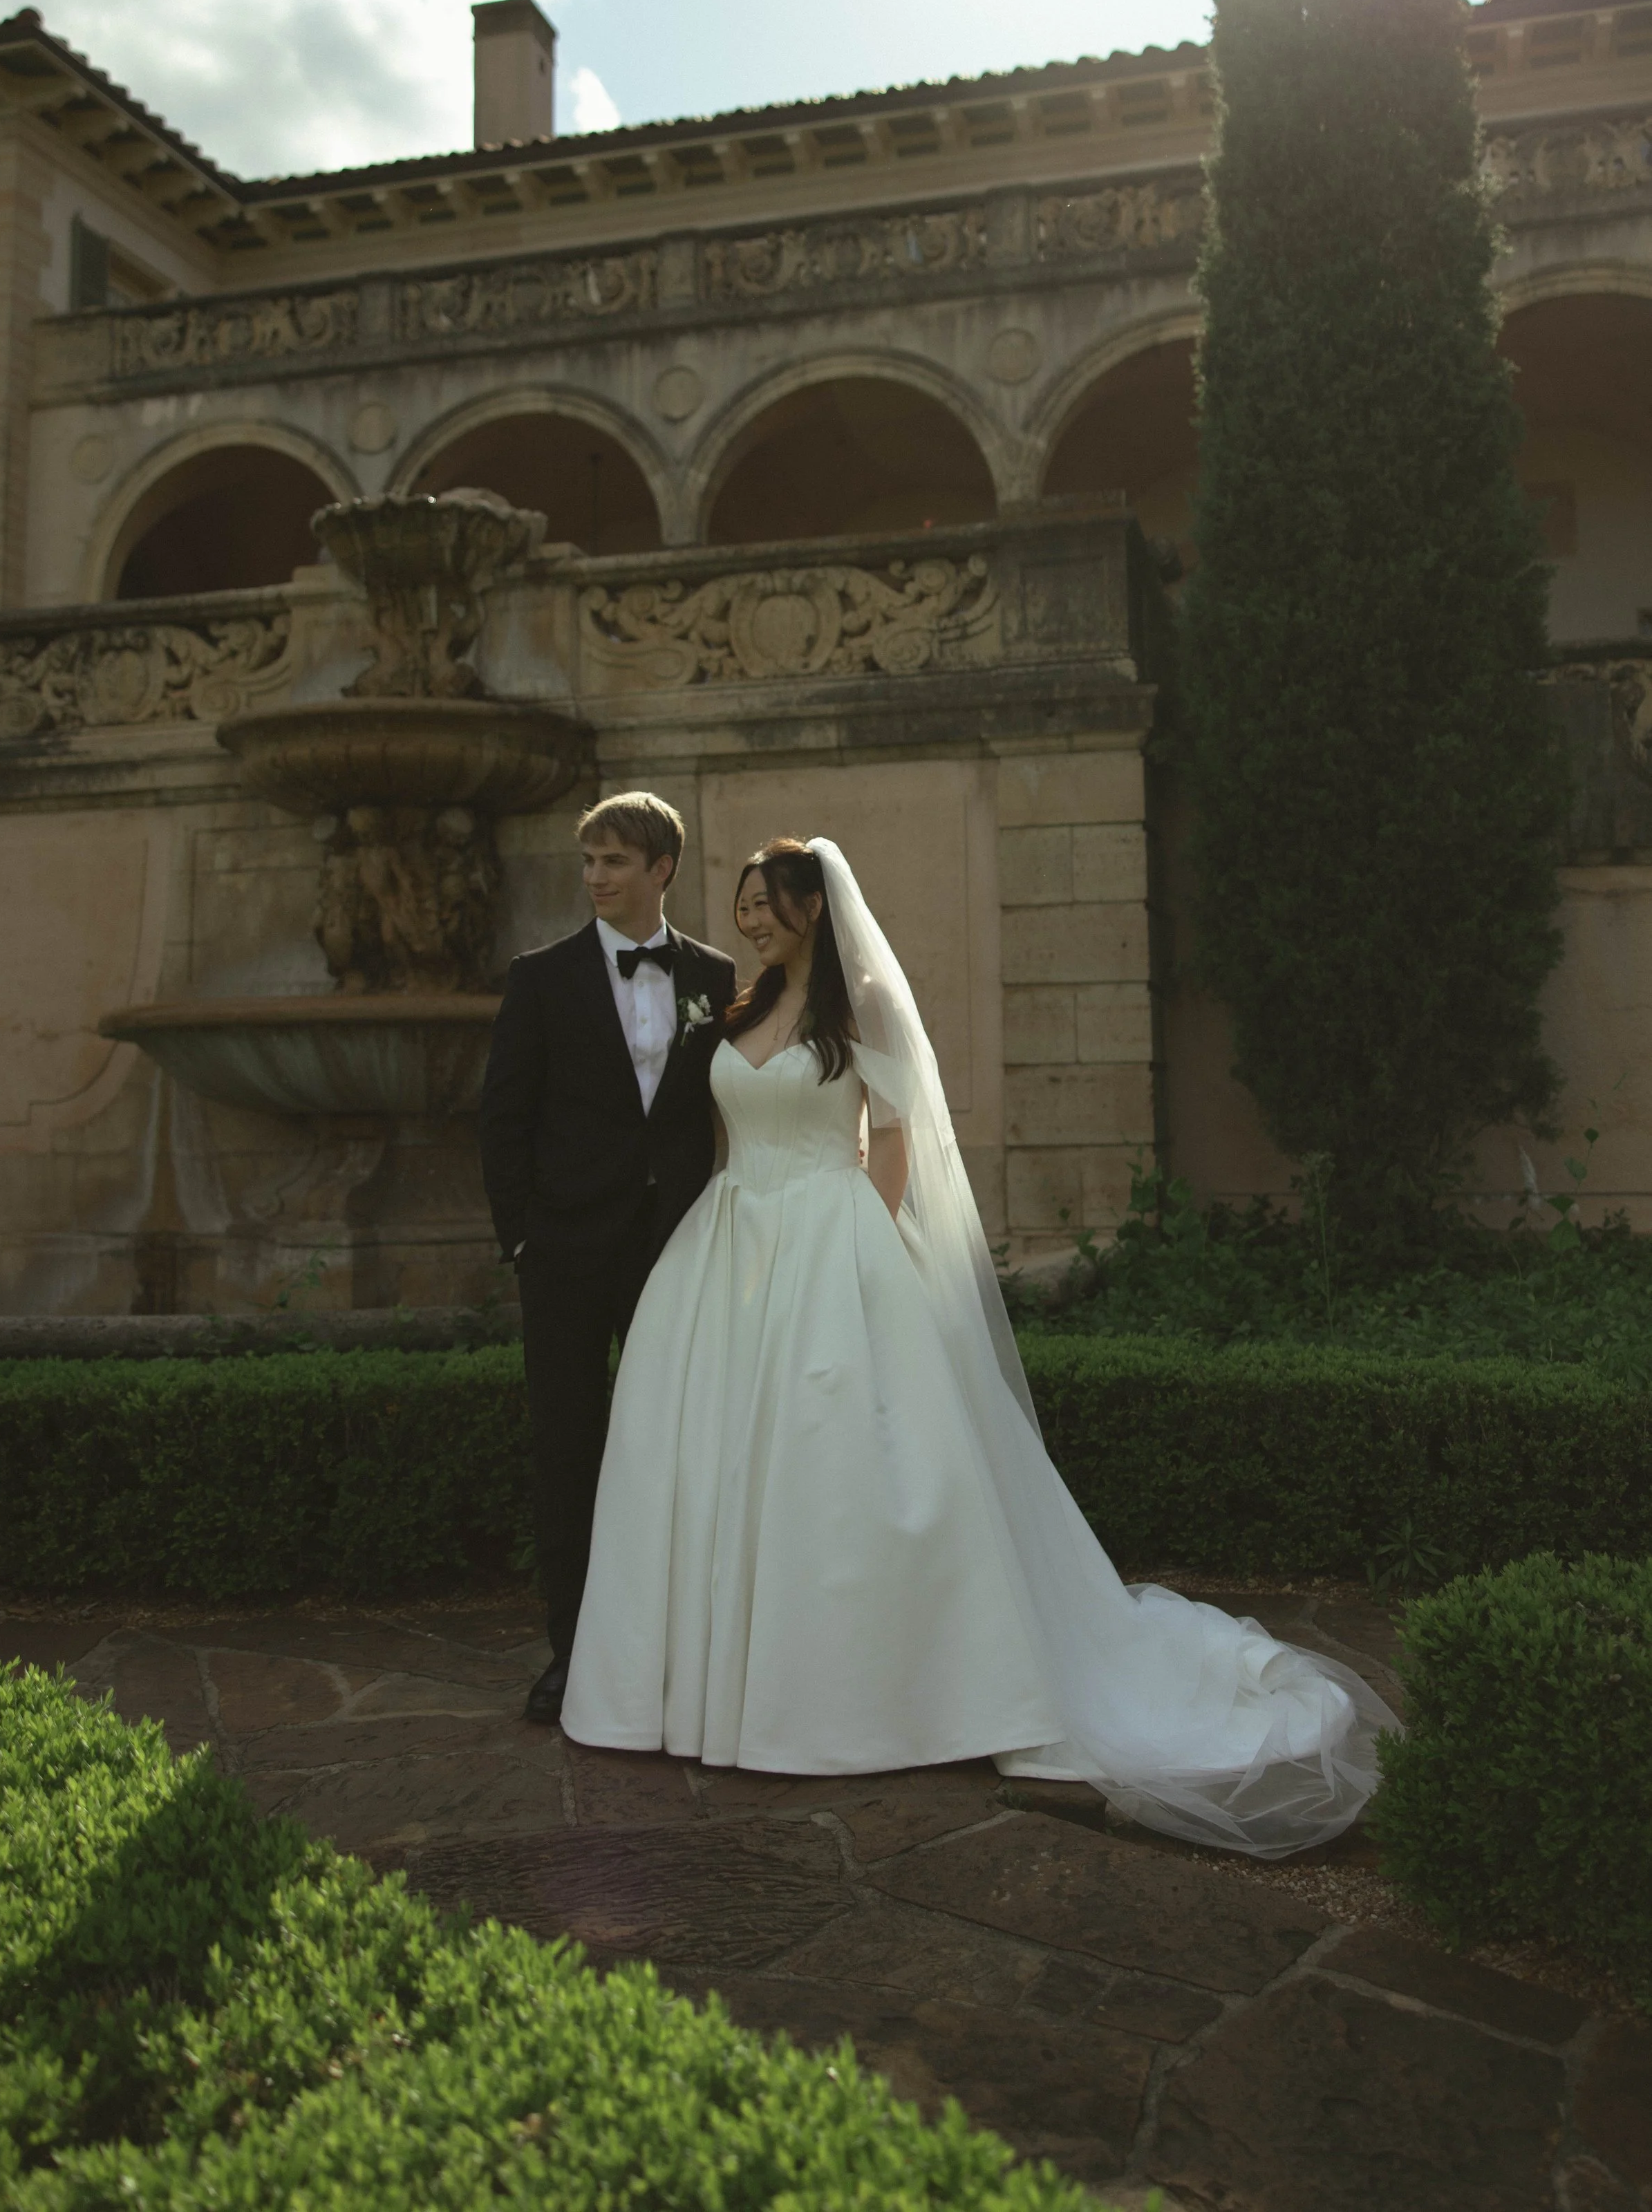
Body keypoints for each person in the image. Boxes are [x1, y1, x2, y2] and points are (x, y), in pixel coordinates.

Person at [560, 834, 1398, 1859]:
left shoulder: (862, 1009)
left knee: (833, 1467)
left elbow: (893, 1141)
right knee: (707, 1461)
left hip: (833, 1244)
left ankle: (853, 1700)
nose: (750, 920)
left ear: (814, 907)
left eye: (765, 902)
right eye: (742, 906)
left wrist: (860, 1262)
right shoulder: (737, 1011)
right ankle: (703, 1690)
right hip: (730, 1250)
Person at [478, 791, 737, 1727]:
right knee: (569, 1447)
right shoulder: (540, 978)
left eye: (615, 862)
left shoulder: (714, 974)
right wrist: (522, 1237)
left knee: (677, 1448)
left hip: (676, 1250)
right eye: (589, 861)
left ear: (661, 870)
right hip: (565, 1255)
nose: (596, 877)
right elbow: (503, 1117)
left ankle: (678, 1649)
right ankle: (573, 1653)